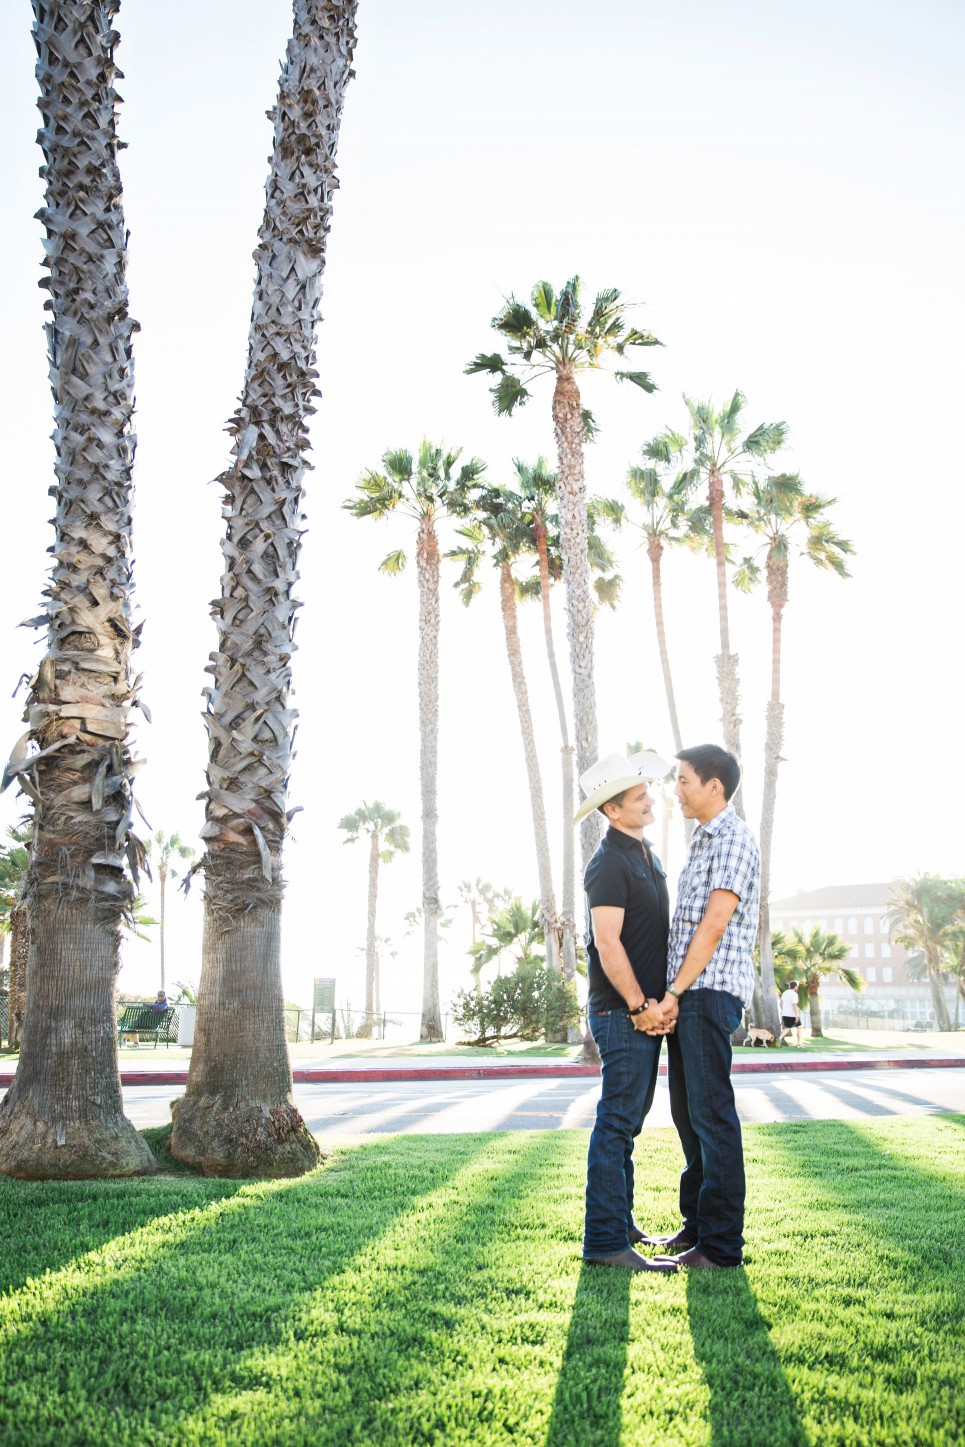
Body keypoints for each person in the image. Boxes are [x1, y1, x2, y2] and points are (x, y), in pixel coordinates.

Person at [637, 744, 760, 1270]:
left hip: (707, 994)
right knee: (689, 1117)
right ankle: (698, 1227)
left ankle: (721, 1247)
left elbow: (712, 927)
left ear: (715, 786)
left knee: (712, 1117)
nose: (676, 789)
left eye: (684, 780)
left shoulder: (732, 840)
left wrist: (673, 993)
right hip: (690, 994)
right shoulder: (701, 840)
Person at [576, 751, 679, 1274]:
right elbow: (607, 942)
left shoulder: (645, 854)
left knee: (628, 1124)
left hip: (645, 1012)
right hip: (621, 1014)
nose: (650, 799)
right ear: (613, 811)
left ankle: (621, 1225)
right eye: (640, 796)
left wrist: (660, 1005)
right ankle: (605, 1245)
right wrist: (640, 1006)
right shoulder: (609, 861)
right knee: (616, 1123)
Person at [780, 981, 802, 1046]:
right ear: (795, 986)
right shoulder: (794, 994)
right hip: (792, 1015)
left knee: (786, 1029)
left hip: (785, 1014)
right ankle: (798, 1043)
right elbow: (794, 1005)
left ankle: (779, 1039)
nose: (797, 987)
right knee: (799, 1027)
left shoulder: (785, 993)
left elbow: (781, 1003)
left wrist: (784, 1010)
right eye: (797, 986)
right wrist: (796, 1016)